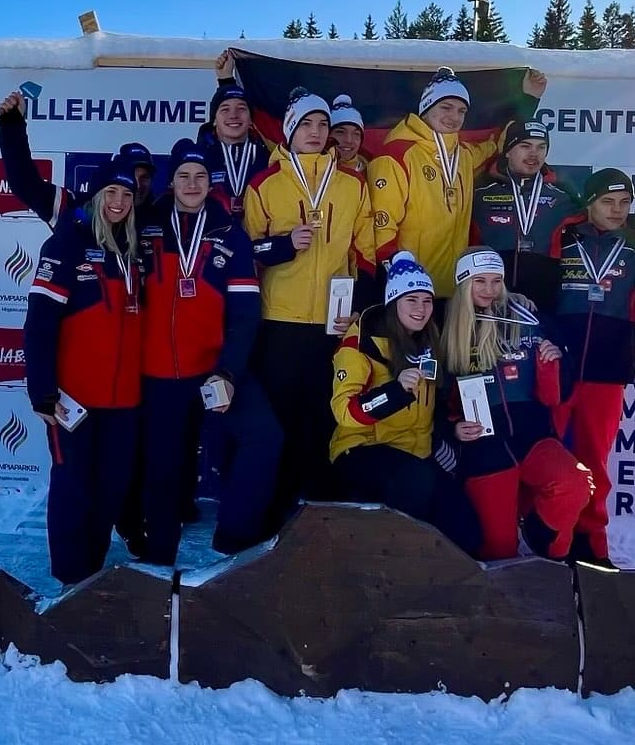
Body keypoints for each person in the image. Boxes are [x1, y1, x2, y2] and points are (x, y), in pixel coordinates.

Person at [139, 138, 281, 563]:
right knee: (164, 466)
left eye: (200, 176)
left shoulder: (229, 233)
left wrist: (229, 372)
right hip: (160, 373)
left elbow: (245, 313)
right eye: (184, 175)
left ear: (210, 183)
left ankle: (234, 537)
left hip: (214, 370)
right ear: (172, 181)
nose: (192, 183)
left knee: (265, 437)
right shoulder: (144, 225)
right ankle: (159, 560)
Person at [244, 87, 377, 515]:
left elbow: (366, 253)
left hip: (331, 323)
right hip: (280, 320)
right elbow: (245, 255)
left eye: (323, 124)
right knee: (280, 418)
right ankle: (277, 504)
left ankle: (317, 506)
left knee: (323, 414)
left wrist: (359, 309)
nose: (317, 132)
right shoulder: (265, 183)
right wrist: (282, 246)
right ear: (289, 131)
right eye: (307, 124)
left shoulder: (353, 184)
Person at [24, 158, 142, 584]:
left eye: (127, 195)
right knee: (73, 487)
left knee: (110, 489)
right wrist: (42, 389)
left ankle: (90, 573)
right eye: (111, 193)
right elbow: (39, 321)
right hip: (73, 396)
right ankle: (69, 577)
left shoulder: (131, 251)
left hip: (123, 400)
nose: (119, 202)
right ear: (95, 197)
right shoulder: (67, 242)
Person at [441, 246, 593, 561]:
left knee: (575, 483)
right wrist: (453, 429)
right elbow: (435, 403)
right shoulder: (444, 327)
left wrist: (553, 364)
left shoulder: (528, 318)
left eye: (496, 281)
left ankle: (545, 553)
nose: (489, 290)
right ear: (463, 283)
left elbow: (555, 397)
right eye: (479, 281)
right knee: (498, 550)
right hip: (484, 449)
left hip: (533, 437)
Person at [330, 251, 482, 554]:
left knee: (466, 525)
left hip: (416, 452)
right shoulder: (362, 343)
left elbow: (437, 403)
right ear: (393, 302)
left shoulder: (430, 340)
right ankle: (398, 566)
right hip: (361, 448)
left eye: (426, 300)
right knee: (416, 482)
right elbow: (345, 411)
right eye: (411, 300)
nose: (421, 308)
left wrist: (451, 431)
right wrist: (394, 392)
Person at [368, 66, 546, 302]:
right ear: (426, 107)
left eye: (462, 111)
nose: (454, 117)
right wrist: (399, 276)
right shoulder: (397, 155)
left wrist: (529, 99)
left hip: (455, 289)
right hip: (412, 291)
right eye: (446, 107)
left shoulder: (463, 156)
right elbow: (382, 226)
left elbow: (502, 140)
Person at [552, 168, 635, 565]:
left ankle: (591, 542)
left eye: (624, 203)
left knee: (594, 459)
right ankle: (551, 537)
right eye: (607, 202)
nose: (617, 211)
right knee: (551, 453)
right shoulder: (563, 238)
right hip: (558, 366)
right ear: (589, 203)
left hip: (608, 369)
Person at [0, 91, 155, 227]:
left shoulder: (161, 218)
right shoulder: (75, 210)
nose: (137, 185)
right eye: (131, 176)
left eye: (145, 177)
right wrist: (12, 125)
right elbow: (26, 185)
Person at [470, 120, 579, 312]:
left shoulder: (562, 193)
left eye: (541, 147)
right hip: (489, 296)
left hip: (541, 302)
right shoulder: (479, 190)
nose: (533, 154)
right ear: (508, 150)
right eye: (525, 146)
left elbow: (601, 217)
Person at [197, 50, 270, 218]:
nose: (233, 115)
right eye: (225, 109)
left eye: (241, 109)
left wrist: (226, 80)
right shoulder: (201, 158)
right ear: (214, 120)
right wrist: (225, 79)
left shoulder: (267, 157)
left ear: (251, 120)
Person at [329, 94, 367, 172]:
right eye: (340, 132)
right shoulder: (315, 170)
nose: (349, 140)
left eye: (356, 134)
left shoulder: (371, 171)